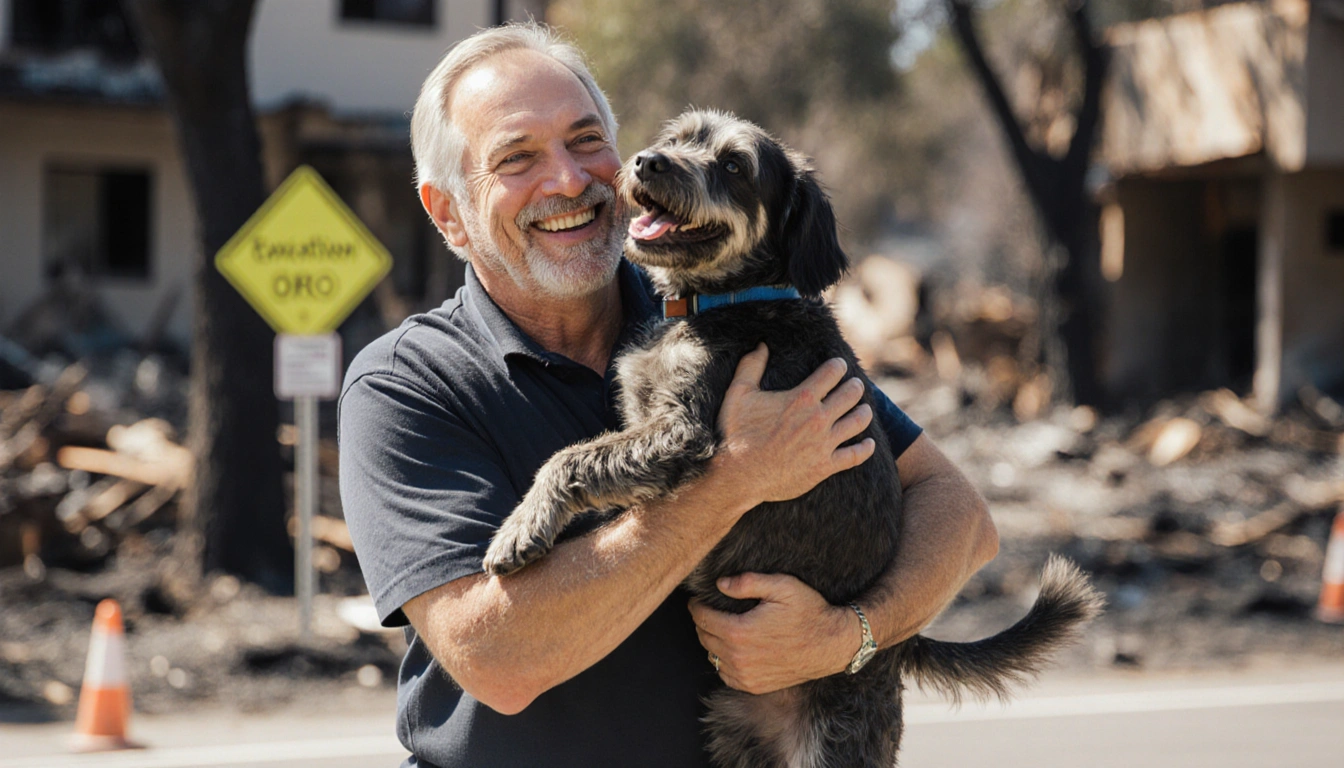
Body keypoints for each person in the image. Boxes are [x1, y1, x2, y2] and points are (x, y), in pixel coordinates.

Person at [338, 23, 998, 768]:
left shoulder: (726, 310)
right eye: (517, 158)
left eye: (586, 140)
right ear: (447, 212)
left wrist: (848, 635)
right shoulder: (405, 386)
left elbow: (963, 517)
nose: (567, 179)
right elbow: (500, 662)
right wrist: (736, 478)